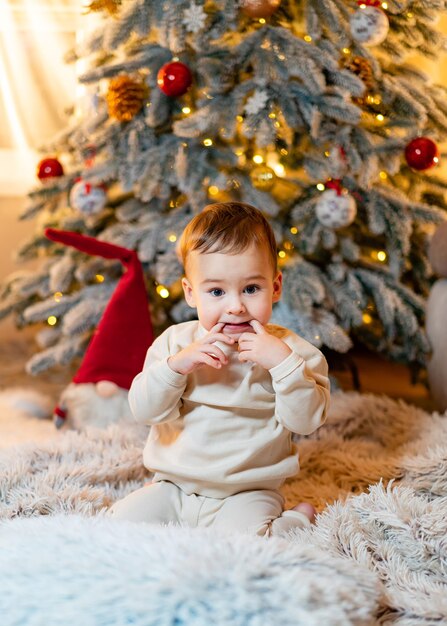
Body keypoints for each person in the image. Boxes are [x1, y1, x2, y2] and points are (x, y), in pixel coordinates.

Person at [108, 202, 330, 536]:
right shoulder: (175, 345)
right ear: (190, 293)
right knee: (116, 527)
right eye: (216, 291)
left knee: (246, 548)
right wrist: (176, 368)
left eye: (251, 289)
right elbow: (145, 410)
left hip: (247, 492)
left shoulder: (294, 354)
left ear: (276, 286)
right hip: (174, 486)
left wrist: (282, 365)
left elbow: (306, 421)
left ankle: (297, 519)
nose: (236, 306)